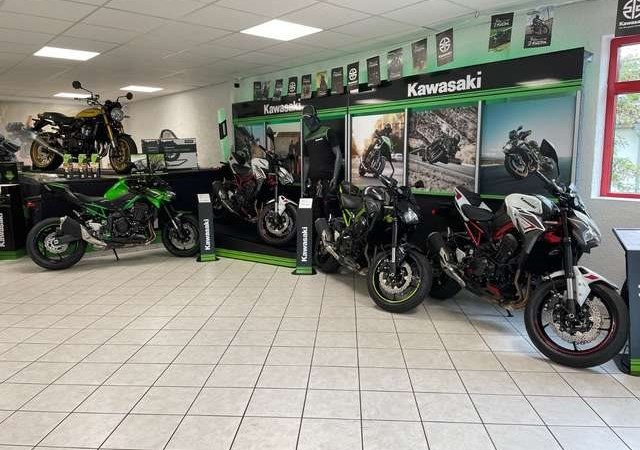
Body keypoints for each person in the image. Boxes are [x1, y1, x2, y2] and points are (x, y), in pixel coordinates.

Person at [302, 105, 342, 218]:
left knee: (329, 212)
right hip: (313, 183)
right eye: (304, 119)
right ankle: (319, 230)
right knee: (315, 213)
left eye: (308, 118)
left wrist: (335, 177)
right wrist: (304, 181)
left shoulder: (327, 132)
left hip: (328, 181)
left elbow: (338, 155)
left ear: (315, 117)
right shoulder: (307, 138)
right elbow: (306, 162)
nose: (306, 122)